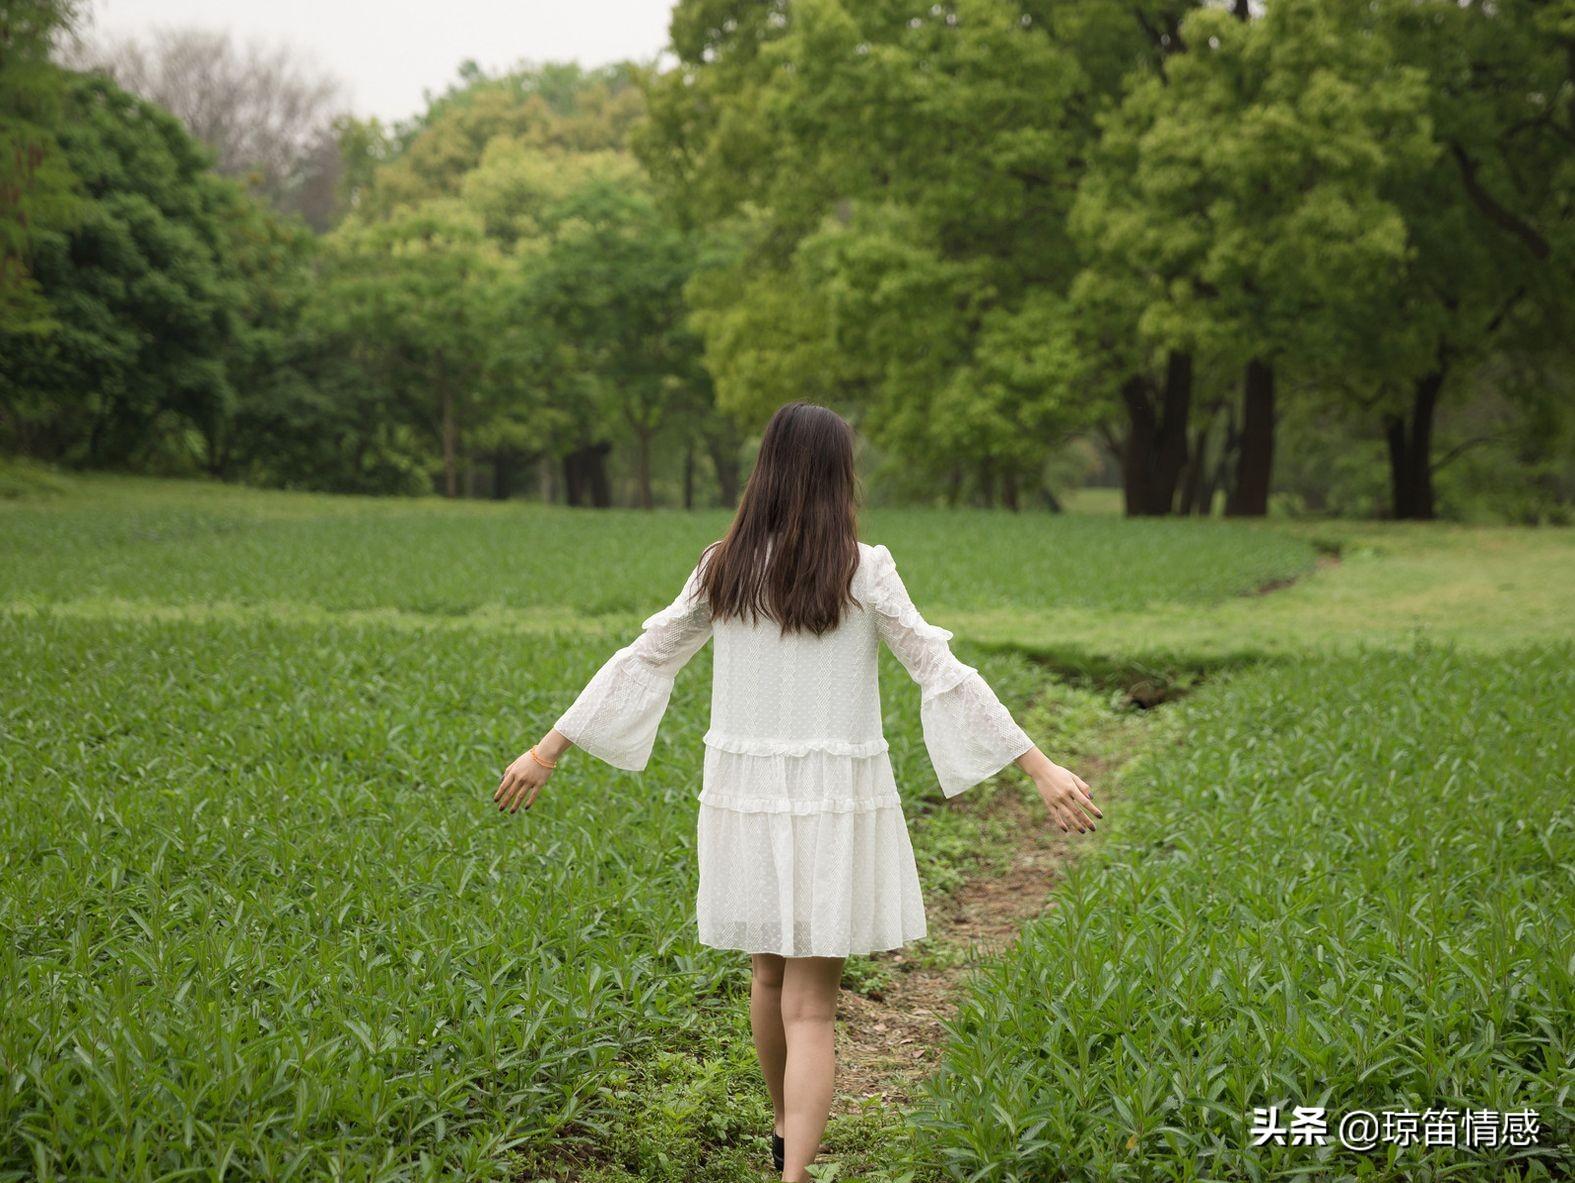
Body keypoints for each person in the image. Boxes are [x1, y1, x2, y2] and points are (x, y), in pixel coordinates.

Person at [494, 401, 1101, 1181]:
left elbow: (645, 659)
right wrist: (1040, 766)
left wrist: (548, 750)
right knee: (811, 1004)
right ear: (838, 475)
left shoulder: (726, 565)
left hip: (745, 794)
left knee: (767, 975)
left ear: (767, 470)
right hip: (834, 798)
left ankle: (785, 1128)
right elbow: (940, 670)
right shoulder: (862, 567)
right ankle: (794, 1169)